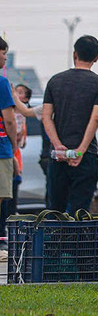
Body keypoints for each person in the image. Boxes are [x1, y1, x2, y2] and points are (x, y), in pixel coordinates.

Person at [42, 34, 98, 216]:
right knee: (80, 211)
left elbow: (46, 117)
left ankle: (56, 244)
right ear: (97, 57)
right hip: (86, 156)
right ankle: (76, 245)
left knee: (55, 209)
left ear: (75, 54)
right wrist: (81, 150)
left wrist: (57, 145)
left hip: (58, 155)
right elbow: (96, 118)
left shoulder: (55, 81)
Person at [0, 37, 18, 249]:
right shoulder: (2, 83)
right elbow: (10, 119)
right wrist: (13, 146)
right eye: (4, 53)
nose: (5, 57)